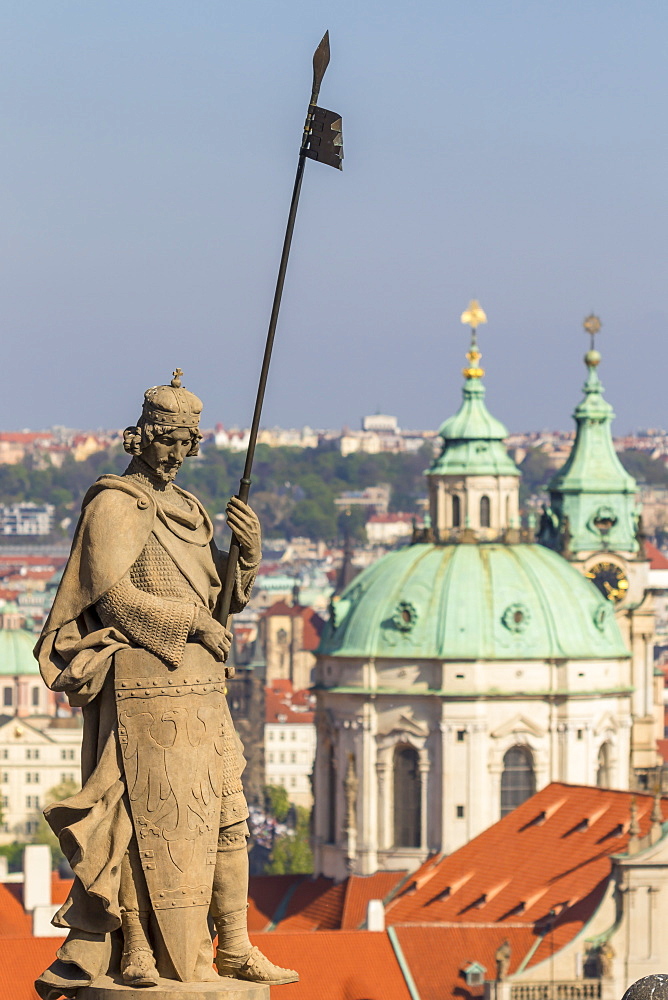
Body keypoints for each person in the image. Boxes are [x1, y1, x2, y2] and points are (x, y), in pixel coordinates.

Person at [35, 372, 297, 998]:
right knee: (133, 826)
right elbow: (118, 599)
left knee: (229, 822)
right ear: (143, 436)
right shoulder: (114, 504)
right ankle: (137, 946)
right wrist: (194, 624)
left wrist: (247, 556)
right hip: (142, 695)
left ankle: (233, 944)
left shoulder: (190, 511)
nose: (178, 455)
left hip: (201, 696)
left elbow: (219, 603)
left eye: (189, 443)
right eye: (169, 441)